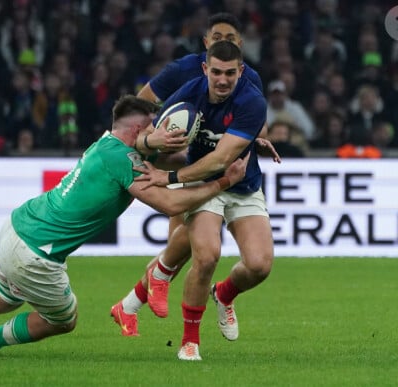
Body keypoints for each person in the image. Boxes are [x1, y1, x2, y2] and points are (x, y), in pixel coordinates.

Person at [0, 95, 250, 359]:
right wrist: (222, 183)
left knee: (1, 299)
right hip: (38, 254)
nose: (156, 133)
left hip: (17, 226)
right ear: (138, 128)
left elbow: (161, 155)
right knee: (65, 319)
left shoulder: (105, 146)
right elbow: (169, 203)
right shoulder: (124, 160)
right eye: (152, 127)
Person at [111, 12, 278, 336]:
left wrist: (253, 139)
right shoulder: (183, 71)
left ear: (239, 48)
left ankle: (132, 302)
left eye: (229, 40)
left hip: (222, 169)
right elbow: (142, 105)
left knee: (183, 247)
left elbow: (254, 125)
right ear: (206, 47)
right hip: (184, 165)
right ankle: (152, 304)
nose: (223, 44)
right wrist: (159, 139)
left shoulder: (249, 81)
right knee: (195, 250)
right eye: (217, 39)